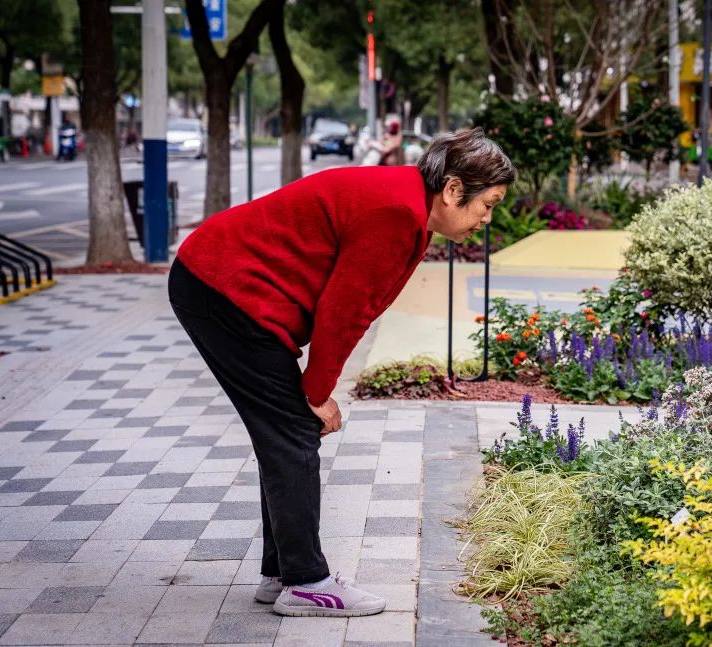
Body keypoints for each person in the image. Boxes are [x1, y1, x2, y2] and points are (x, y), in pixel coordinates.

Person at [168, 128, 515, 617]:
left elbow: (353, 306)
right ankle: (307, 583)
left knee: (282, 433)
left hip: (219, 284)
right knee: (292, 432)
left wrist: (311, 393)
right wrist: (317, 394)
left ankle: (283, 573)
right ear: (454, 190)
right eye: (489, 203)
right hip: (226, 290)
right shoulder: (398, 213)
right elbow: (344, 312)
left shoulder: (407, 203)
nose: (488, 217)